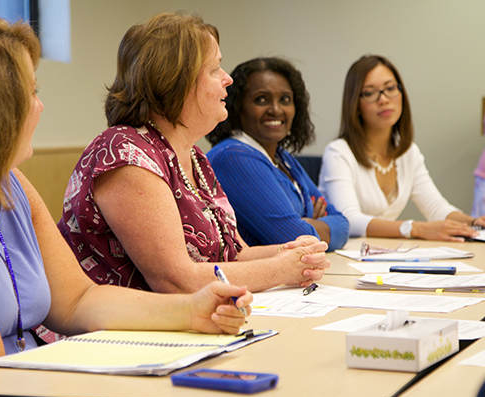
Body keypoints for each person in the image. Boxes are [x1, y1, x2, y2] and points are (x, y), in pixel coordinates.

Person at [0, 12, 253, 397]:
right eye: (30, 92)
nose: (40, 107)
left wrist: (191, 311)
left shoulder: (8, 186)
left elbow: (79, 299)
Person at [58, 13, 330, 294]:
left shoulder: (194, 157)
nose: (227, 79)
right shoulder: (124, 153)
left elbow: (235, 256)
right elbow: (175, 280)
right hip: (107, 333)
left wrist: (291, 252)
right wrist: (281, 268)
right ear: (176, 81)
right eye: (215, 69)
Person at [319, 55, 485, 240]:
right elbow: (349, 220)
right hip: (343, 261)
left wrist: (474, 224)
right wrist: (415, 228)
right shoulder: (339, 152)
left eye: (390, 88)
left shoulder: (407, 152)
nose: (383, 99)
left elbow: (436, 208)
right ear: (355, 104)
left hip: (385, 256)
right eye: (370, 92)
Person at [205, 57, 349, 252]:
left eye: (285, 99)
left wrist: (306, 226)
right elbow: (293, 239)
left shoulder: (282, 158)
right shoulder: (233, 157)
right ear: (237, 106)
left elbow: (343, 224)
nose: (276, 109)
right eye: (261, 99)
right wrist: (308, 225)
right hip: (256, 280)